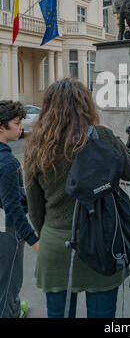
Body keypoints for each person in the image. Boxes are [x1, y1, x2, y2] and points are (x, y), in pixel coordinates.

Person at [24, 78, 130, 318]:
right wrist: (109, 134)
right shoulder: (101, 136)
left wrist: (49, 236)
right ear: (86, 105)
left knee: (58, 314)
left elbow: (35, 211)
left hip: (55, 246)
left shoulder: (36, 145)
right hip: (101, 243)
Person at [0, 101, 39, 319]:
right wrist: (34, 241)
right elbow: (13, 209)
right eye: (15, 123)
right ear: (0, 126)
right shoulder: (8, 163)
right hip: (7, 231)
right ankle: (11, 311)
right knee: (9, 281)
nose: (20, 127)